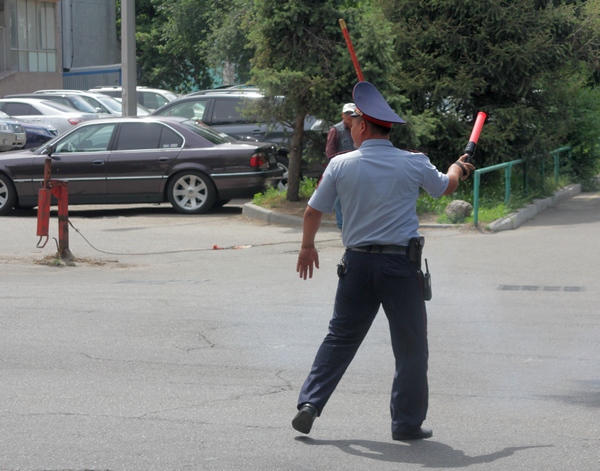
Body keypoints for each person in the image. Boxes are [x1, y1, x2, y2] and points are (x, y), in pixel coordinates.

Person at [292, 81, 475, 441]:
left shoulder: (341, 164)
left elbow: (313, 211)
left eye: (351, 126)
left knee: (340, 338)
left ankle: (310, 404)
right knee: (410, 347)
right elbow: (446, 187)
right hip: (399, 266)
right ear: (387, 129)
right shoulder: (413, 162)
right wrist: (458, 168)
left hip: (356, 265)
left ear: (361, 127)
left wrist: (307, 247)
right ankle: (406, 424)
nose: (350, 130)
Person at [325, 102, 357, 230]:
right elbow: (330, 152)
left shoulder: (360, 128)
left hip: (358, 169)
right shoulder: (335, 130)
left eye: (352, 113)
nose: (350, 116)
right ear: (342, 115)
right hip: (342, 170)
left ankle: (353, 224)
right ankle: (342, 225)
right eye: (347, 113)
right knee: (339, 199)